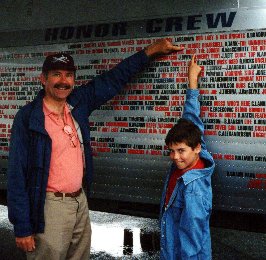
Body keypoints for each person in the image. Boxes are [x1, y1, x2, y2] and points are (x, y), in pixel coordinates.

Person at [7, 39, 183, 260]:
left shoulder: (77, 104)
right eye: (56, 74)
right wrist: (22, 226)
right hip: (49, 206)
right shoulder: (28, 118)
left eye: (68, 75)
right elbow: (16, 174)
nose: (63, 81)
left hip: (80, 201)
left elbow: (113, 78)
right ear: (43, 79)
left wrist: (150, 52)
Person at [160, 55, 215, 260]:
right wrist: (192, 81)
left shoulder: (194, 188)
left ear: (196, 148)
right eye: (171, 151)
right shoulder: (195, 149)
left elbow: (192, 238)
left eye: (181, 151)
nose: (175, 157)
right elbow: (191, 118)